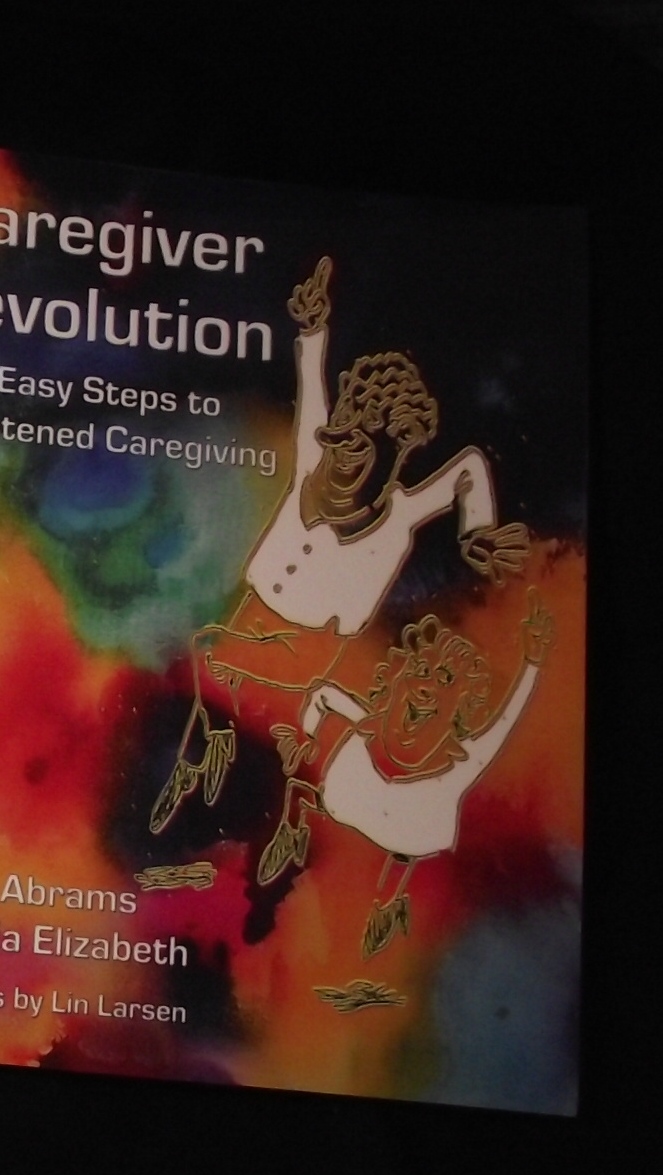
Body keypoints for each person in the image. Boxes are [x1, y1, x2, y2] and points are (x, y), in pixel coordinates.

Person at [149, 256, 529, 832]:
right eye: (337, 440)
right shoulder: (312, 461)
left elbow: (467, 469)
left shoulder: (398, 515)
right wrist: (313, 327)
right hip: (247, 630)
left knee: (248, 726)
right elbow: (313, 384)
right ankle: (202, 762)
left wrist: (477, 530)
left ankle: (244, 788)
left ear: (395, 463)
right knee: (206, 668)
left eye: (358, 451)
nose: (337, 458)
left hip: (300, 659)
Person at [259, 593, 551, 956]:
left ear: (462, 709)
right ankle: (296, 843)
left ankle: (384, 920)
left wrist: (532, 665)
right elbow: (323, 696)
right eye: (421, 672)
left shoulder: (457, 766)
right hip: (331, 844)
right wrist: (307, 742)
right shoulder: (365, 726)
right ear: (397, 678)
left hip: (399, 865)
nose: (427, 686)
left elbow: (504, 723)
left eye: (445, 680)